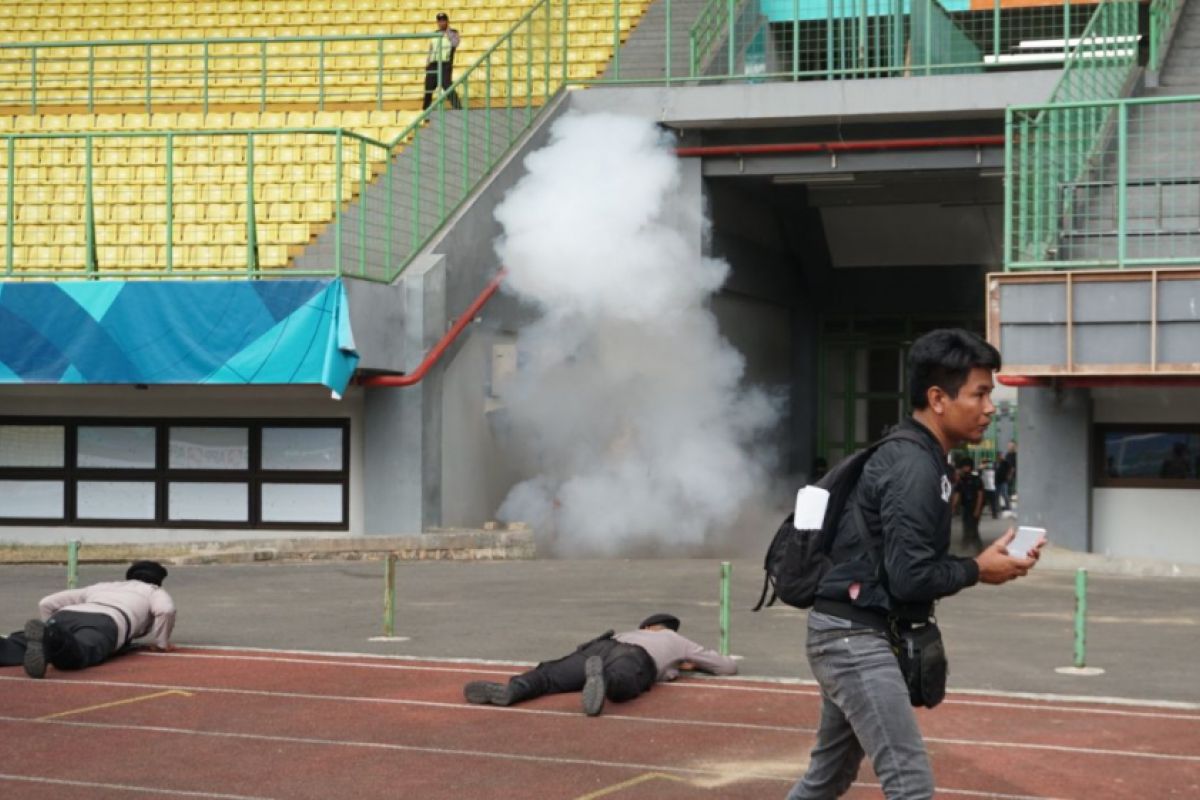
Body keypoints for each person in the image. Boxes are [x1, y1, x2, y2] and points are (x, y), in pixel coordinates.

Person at [787, 329, 1042, 800]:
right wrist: (977, 569)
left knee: (828, 777)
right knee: (910, 784)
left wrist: (980, 565)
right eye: (980, 393)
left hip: (849, 630)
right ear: (937, 399)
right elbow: (911, 577)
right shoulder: (915, 467)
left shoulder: (921, 457)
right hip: (853, 639)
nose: (990, 407)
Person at [462, 613, 736, 716]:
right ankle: (602, 681)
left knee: (549, 675)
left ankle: (514, 689)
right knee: (624, 682)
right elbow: (725, 667)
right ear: (664, 628)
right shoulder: (676, 640)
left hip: (600, 645)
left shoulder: (631, 631)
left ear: (648, 626)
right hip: (635, 657)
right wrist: (689, 664)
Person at [0, 560, 176, 679]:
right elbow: (165, 610)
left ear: (129, 575)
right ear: (159, 581)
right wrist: (161, 644)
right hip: (107, 621)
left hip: (67, 614)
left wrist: (48, 624)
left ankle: (47, 634)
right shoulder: (154, 591)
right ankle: (53, 637)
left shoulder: (104, 586)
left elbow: (46, 603)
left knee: (18, 643)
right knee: (81, 650)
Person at [422, 12, 461, 111]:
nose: (441, 23)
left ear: (447, 21)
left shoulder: (453, 32)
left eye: (443, 20)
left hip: (445, 64)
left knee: (447, 85)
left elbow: (455, 43)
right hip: (433, 64)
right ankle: (425, 111)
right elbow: (431, 49)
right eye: (439, 21)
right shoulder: (435, 34)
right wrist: (427, 62)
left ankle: (458, 108)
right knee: (428, 87)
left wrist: (446, 34)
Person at [951, 456, 985, 552]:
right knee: (966, 528)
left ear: (970, 467)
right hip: (966, 507)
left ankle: (978, 550)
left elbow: (980, 495)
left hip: (974, 506)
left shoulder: (976, 479)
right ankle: (964, 548)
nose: (964, 469)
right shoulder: (961, 480)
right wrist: (953, 507)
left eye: (966, 466)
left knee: (973, 529)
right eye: (963, 467)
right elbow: (957, 494)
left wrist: (977, 509)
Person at [994, 442, 1014, 512]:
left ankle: (1008, 506)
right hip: (997, 481)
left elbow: (1011, 469)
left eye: (1001, 455)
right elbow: (994, 471)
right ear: (997, 456)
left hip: (1003, 481)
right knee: (996, 495)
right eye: (998, 456)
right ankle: (997, 508)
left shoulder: (1005, 462)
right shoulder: (995, 463)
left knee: (1004, 494)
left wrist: (1009, 476)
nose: (1000, 457)